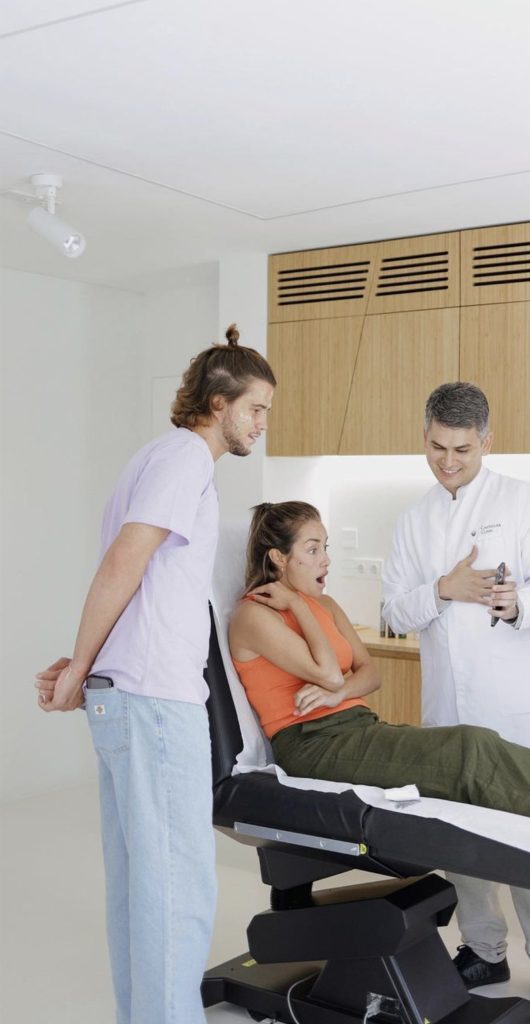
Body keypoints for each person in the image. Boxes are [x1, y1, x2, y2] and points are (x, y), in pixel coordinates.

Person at [229, 500, 530, 882]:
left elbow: (369, 674)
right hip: (311, 745)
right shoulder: (255, 616)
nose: (326, 559)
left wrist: (334, 688)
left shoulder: (324, 602)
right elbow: (331, 673)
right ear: (278, 558)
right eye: (313, 549)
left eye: (325, 547)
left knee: (484, 763)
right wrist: (297, 609)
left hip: (354, 727)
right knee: (471, 747)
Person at [34, 325, 276, 1024]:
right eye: (255, 409)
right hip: (153, 701)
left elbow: (133, 578)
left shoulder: (155, 457)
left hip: (127, 692)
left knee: (142, 886)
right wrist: (82, 662)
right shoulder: (184, 461)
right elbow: (124, 564)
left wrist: (90, 662)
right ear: (218, 401)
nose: (260, 424)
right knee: (176, 886)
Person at [381, 382, 530, 1015]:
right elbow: (391, 612)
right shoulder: (412, 521)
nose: (447, 461)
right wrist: (442, 587)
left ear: (486, 443)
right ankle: (485, 950)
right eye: (437, 447)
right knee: (461, 834)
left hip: (520, 705)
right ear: (424, 438)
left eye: (462, 450)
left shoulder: (520, 503)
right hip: (452, 708)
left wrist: (518, 600)